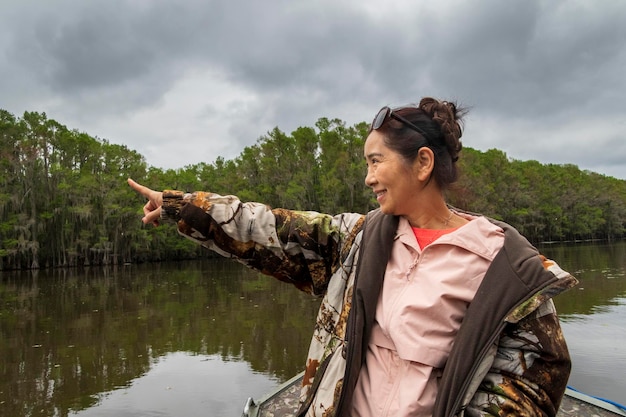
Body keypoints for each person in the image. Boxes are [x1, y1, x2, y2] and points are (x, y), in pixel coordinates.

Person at [128, 97, 577, 417]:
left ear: (422, 164)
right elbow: (271, 229)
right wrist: (179, 206)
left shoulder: (507, 269)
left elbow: (532, 383)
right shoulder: (360, 241)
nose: (368, 178)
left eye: (376, 162)